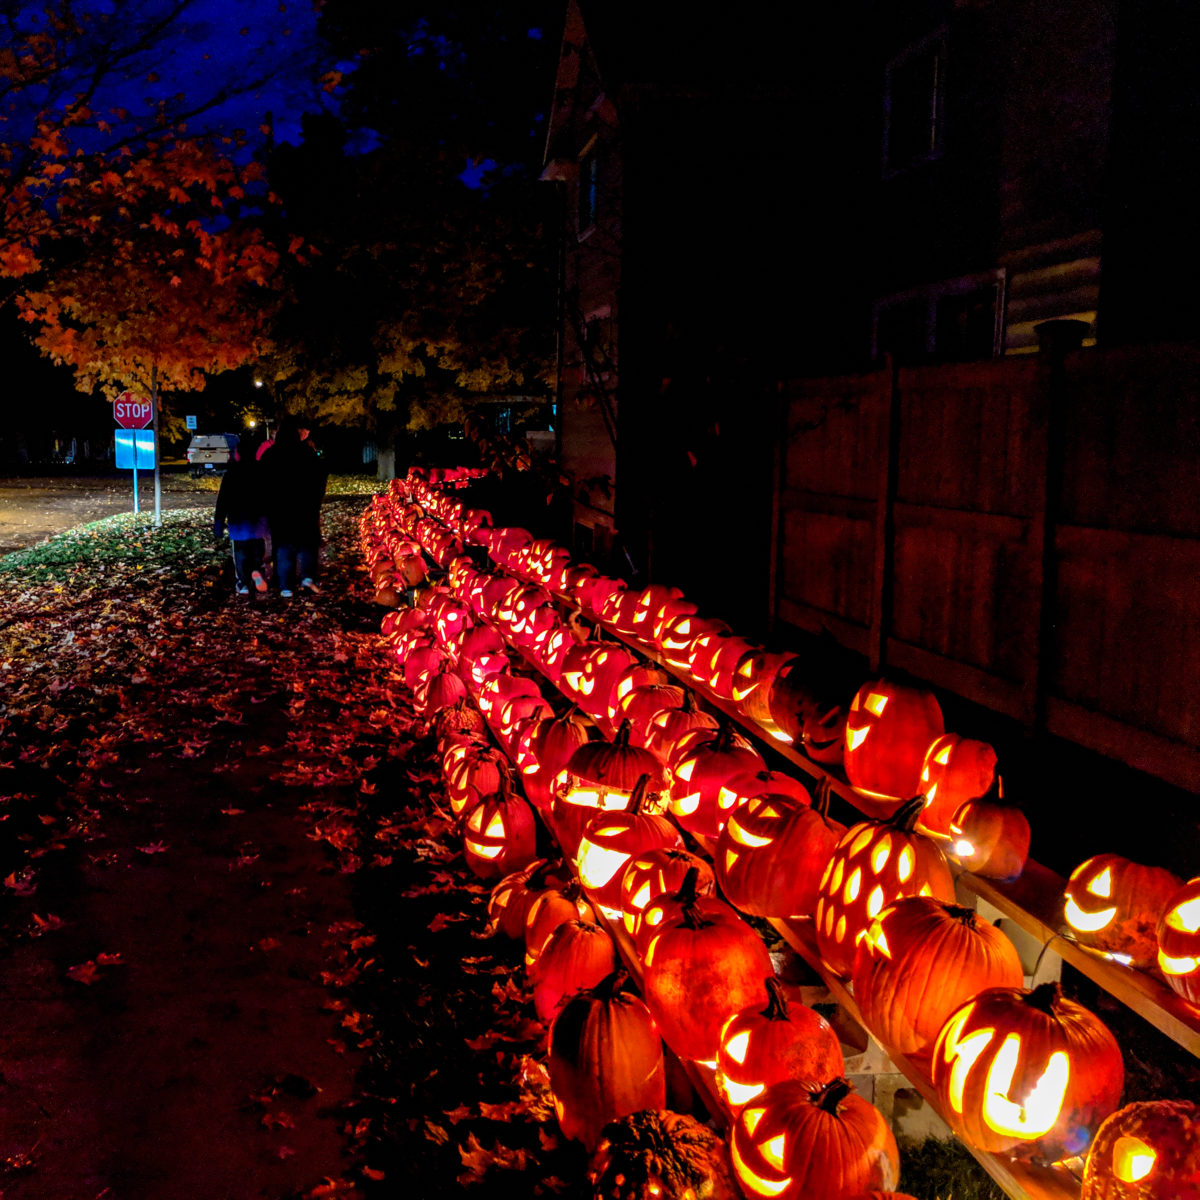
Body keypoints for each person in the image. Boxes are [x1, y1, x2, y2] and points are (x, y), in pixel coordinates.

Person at [259, 420, 327, 598]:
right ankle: (308, 577)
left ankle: (286, 585)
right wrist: (315, 501)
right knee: (307, 545)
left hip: (280, 511)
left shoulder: (270, 455)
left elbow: (262, 483)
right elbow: (320, 479)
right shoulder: (308, 454)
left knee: (283, 548)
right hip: (305, 509)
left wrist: (267, 506)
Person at [213, 432, 269, 596]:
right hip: (258, 519)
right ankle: (257, 570)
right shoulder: (261, 471)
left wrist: (218, 521)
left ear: (238, 453)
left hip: (238, 521)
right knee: (257, 548)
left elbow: (222, 500)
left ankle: (243, 582)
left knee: (240, 552)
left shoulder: (231, 473)